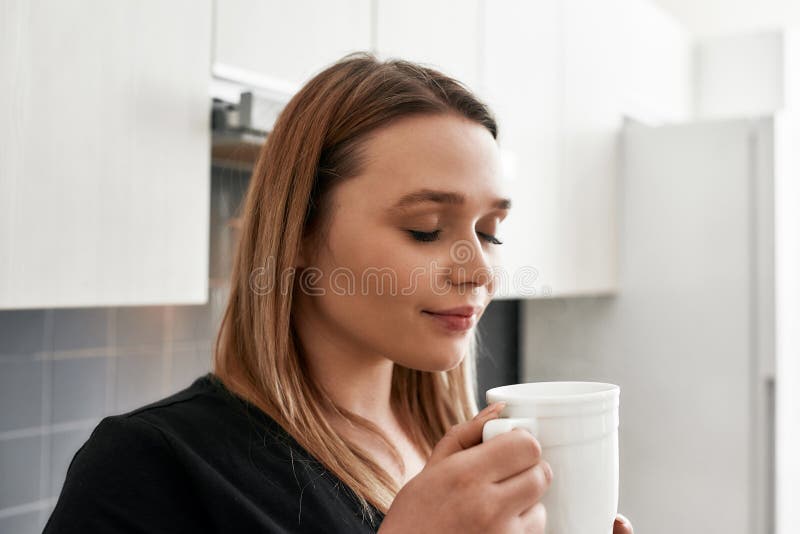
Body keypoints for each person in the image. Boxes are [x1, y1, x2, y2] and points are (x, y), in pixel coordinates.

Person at [43, 52, 634, 533]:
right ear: (297, 233)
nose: (478, 270)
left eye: (489, 233)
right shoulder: (149, 467)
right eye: (425, 229)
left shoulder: (467, 454)